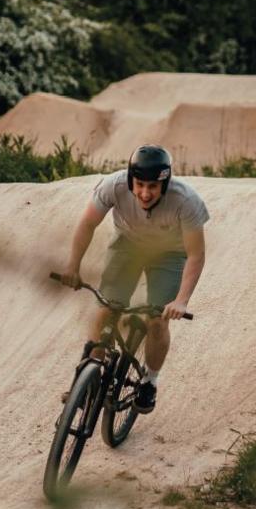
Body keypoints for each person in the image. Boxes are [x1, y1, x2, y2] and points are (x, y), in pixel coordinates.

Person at [60, 145, 208, 413]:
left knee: (157, 321)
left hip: (170, 254)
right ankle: (87, 375)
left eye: (153, 186)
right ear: (130, 180)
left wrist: (182, 301)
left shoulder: (186, 201)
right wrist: (73, 266)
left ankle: (150, 381)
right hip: (127, 245)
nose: (145, 193)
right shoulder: (113, 186)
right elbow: (87, 224)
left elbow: (196, 255)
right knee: (106, 308)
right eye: (139, 184)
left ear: (165, 183)